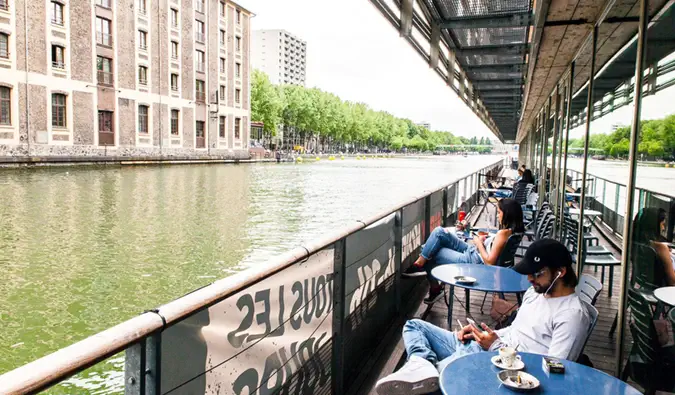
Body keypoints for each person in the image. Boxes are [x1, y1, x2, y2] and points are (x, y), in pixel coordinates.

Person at [376, 239, 591, 395]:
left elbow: (551, 373)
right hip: (487, 348)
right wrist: (485, 334)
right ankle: (421, 363)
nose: (529, 278)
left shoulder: (572, 315)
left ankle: (425, 367)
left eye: (536, 273)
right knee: (415, 326)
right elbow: (515, 329)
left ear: (560, 272)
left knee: (426, 385)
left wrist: (494, 346)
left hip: (497, 365)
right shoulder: (536, 293)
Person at [403, 199, 525, 303]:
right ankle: (424, 267)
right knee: (439, 232)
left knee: (432, 251)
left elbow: (489, 263)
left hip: (475, 261)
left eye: (499, 212)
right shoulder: (512, 232)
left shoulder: (503, 234)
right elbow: (495, 250)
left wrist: (478, 243)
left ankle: (423, 269)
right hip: (474, 252)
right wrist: (485, 240)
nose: (498, 216)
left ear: (507, 214)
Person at [632, 207, 675, 286]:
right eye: (662, 224)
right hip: (663, 288)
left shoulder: (637, 243)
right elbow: (672, 281)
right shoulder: (661, 248)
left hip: (647, 283)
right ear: (654, 225)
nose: (663, 228)